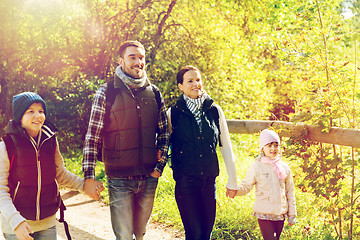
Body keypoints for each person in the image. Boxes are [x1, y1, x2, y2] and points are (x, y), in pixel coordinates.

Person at [82, 40, 170, 240]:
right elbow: (92, 135)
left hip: (149, 176)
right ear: (121, 61)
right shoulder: (107, 92)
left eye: (141, 58)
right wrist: (89, 176)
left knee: (140, 233)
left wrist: (159, 167)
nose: (138, 62)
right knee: (123, 235)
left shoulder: (154, 93)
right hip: (119, 178)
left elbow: (165, 133)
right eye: (133, 57)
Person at [0, 92, 104, 240]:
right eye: (30, 111)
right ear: (19, 116)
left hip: (47, 223)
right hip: (17, 226)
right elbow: (1, 191)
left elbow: (60, 174)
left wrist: (83, 185)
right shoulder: (6, 147)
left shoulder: (51, 141)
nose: (38, 115)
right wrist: (16, 221)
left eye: (41, 111)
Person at [167, 65, 238, 240]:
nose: (195, 84)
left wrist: (233, 180)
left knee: (206, 234)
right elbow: (161, 145)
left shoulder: (214, 110)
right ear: (180, 86)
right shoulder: (173, 113)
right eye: (189, 81)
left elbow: (226, 146)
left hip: (209, 182)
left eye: (198, 80)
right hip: (185, 183)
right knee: (194, 233)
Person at [235, 129, 296, 240]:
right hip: (264, 213)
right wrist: (235, 190)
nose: (273, 148)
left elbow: (290, 192)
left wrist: (292, 214)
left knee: (276, 238)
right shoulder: (257, 166)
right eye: (269, 145)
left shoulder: (284, 167)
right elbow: (246, 185)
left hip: (280, 214)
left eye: (276, 145)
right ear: (262, 148)